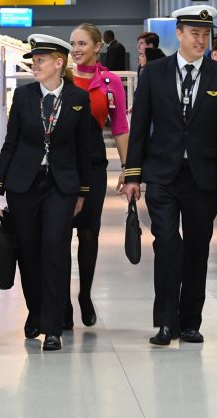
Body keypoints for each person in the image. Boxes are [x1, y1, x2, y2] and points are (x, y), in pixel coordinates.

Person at [121, 6, 217, 346]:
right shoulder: (155, 73)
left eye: (206, 35)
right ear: (178, 34)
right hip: (162, 173)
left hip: (202, 176)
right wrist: (133, 173)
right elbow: (140, 125)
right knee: (166, 244)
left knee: (196, 248)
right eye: (194, 34)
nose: (200, 41)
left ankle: (190, 321)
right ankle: (165, 321)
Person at [0, 35, 97, 352]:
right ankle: (35, 311)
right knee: (28, 252)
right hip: (24, 184)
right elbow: (10, 144)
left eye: (40, 60)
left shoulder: (78, 98)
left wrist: (83, 191)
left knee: (55, 250)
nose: (34, 65)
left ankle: (52, 327)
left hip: (61, 185)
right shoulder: (22, 97)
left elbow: (83, 148)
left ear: (59, 63)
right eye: (33, 61)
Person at [66, 23, 130, 328]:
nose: (76, 49)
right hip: (62, 166)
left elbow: (119, 127)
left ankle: (85, 295)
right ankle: (61, 302)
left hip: (93, 163)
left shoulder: (110, 81)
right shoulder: (61, 74)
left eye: (82, 43)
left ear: (97, 47)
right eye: (72, 44)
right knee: (59, 233)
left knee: (89, 232)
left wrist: (129, 170)